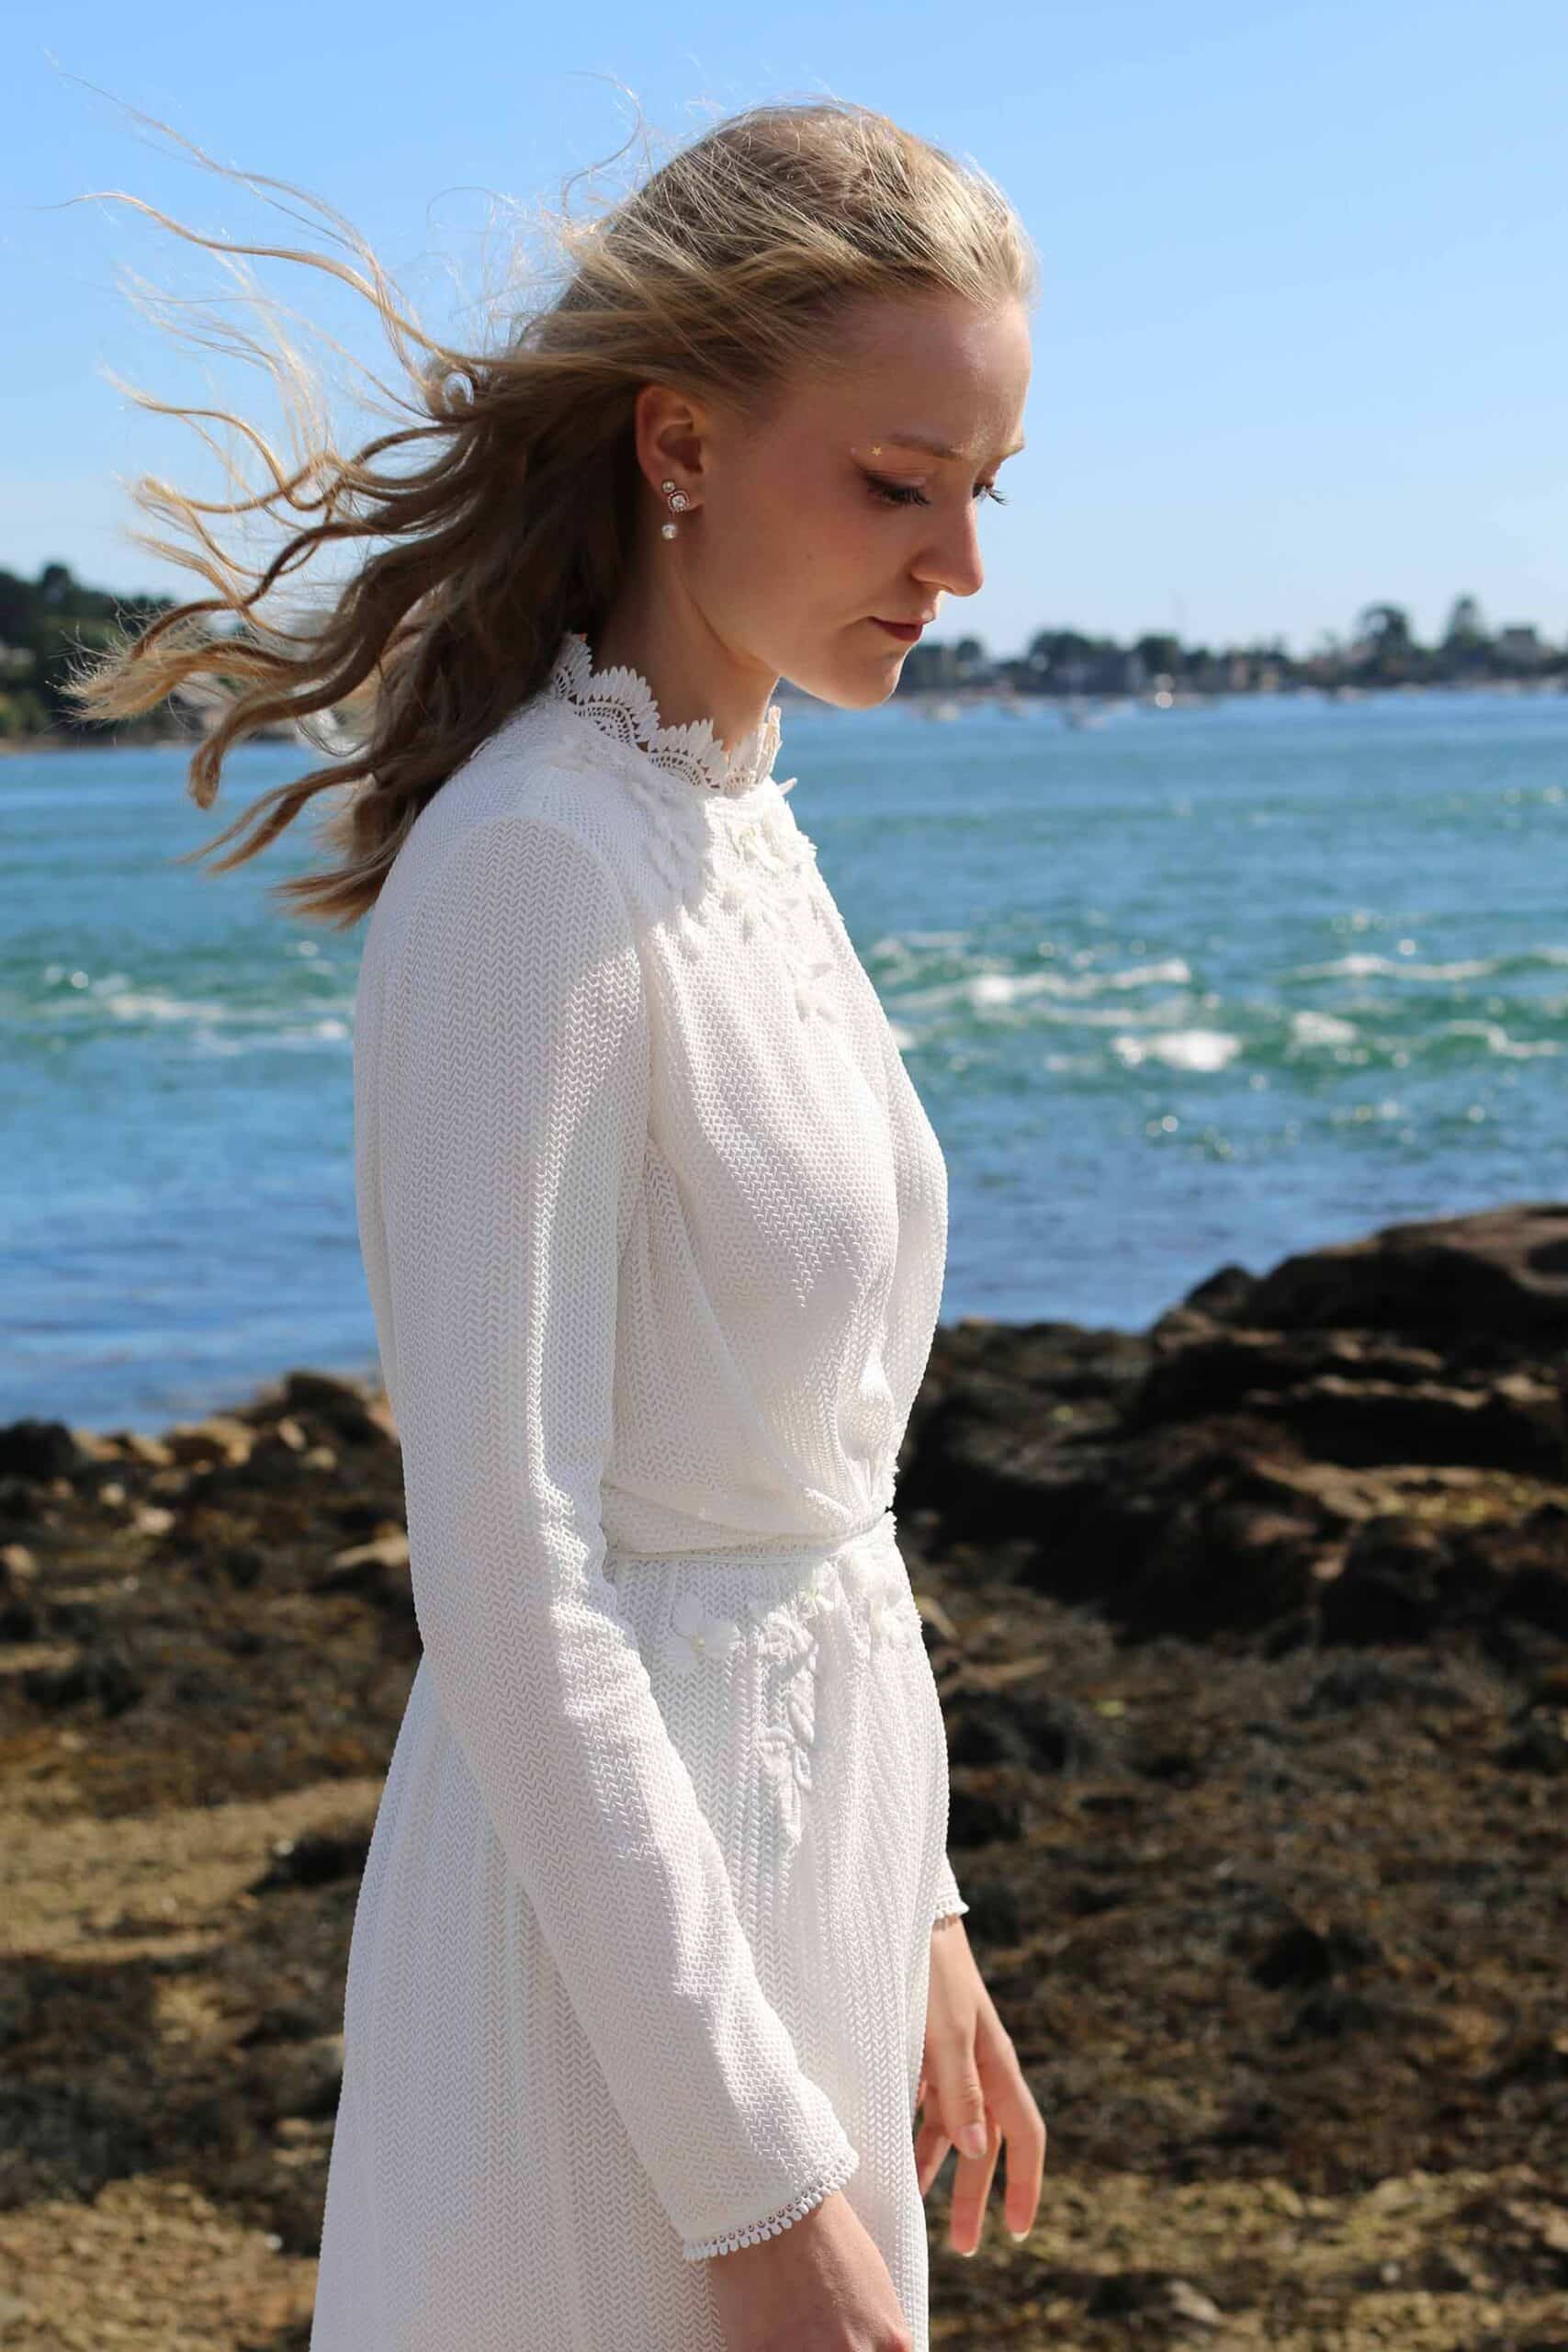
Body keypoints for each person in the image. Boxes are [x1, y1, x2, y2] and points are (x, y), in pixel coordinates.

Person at [73, 94, 1048, 2351]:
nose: (956, 566)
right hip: (615, 1988)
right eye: (894, 483)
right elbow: (510, 1578)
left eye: (981, 491)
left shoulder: (734, 820)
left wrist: (913, 1904)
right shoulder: (535, 866)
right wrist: (754, 2175)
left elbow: (810, 1491)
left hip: (804, 1877)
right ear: (677, 440)